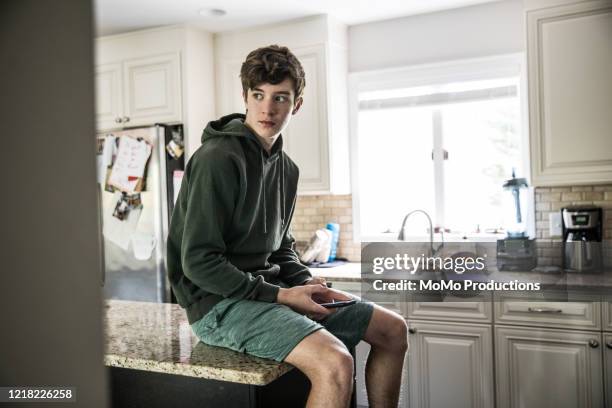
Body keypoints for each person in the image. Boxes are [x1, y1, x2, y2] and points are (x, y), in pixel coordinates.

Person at [167, 45, 408, 408]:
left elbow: (280, 249)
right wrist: (282, 295)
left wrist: (306, 282)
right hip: (218, 306)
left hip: (264, 294)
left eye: (280, 97)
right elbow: (199, 262)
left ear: (296, 104)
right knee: (335, 362)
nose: (268, 108)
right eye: (259, 95)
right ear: (245, 97)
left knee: (393, 329)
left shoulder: (286, 168)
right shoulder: (217, 159)